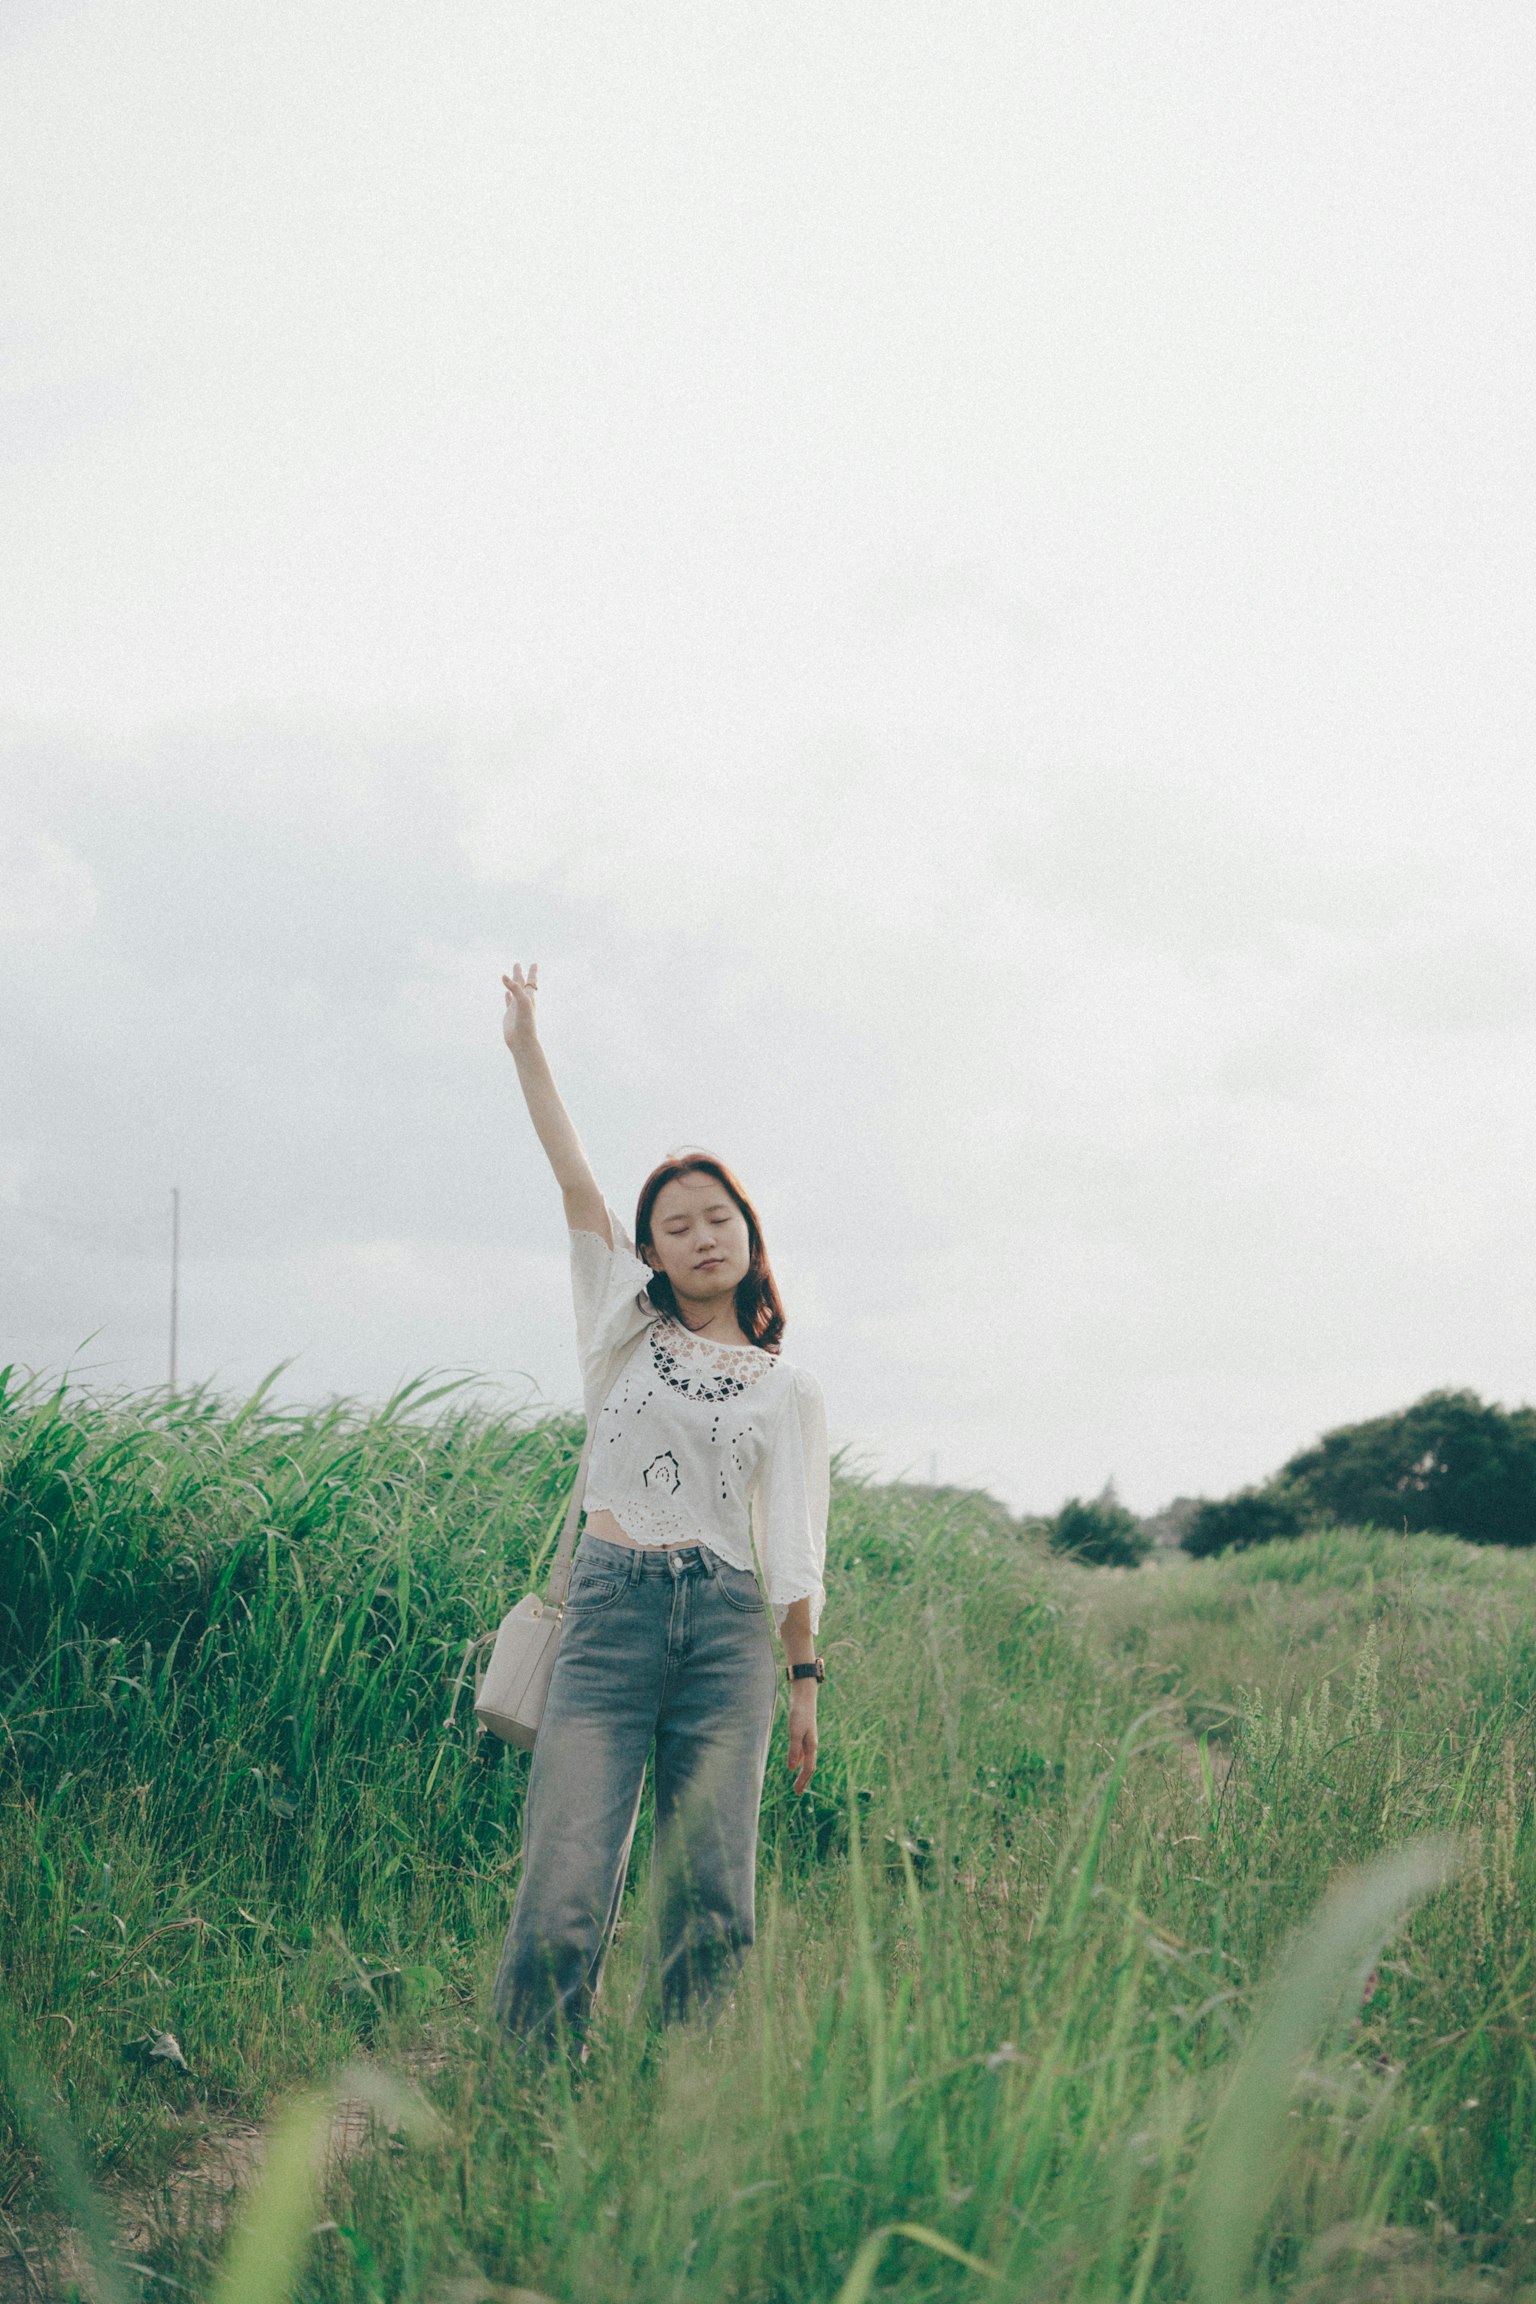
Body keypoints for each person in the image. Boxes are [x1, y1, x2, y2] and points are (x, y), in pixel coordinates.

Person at [492, 961, 829, 2045]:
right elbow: (577, 1184)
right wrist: (526, 1046)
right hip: (612, 1614)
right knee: (566, 1888)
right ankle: (532, 2099)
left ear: (748, 1236)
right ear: (649, 1251)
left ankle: (672, 2102)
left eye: (718, 1217)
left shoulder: (789, 1390)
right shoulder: (619, 1328)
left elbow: (793, 1549)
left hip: (728, 1633)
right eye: (676, 1224)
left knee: (713, 1897)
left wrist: (806, 1679)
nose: (700, 1234)